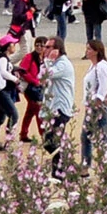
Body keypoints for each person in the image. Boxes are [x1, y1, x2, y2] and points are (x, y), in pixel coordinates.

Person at [39, 38, 76, 173]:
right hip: (52, 107)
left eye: (48, 47)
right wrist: (46, 62)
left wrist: (47, 61)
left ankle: (65, 167)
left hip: (60, 108)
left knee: (51, 140)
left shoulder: (63, 64)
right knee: (53, 141)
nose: (45, 50)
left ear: (57, 50)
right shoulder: (53, 63)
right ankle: (60, 170)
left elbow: (48, 74)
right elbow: (41, 77)